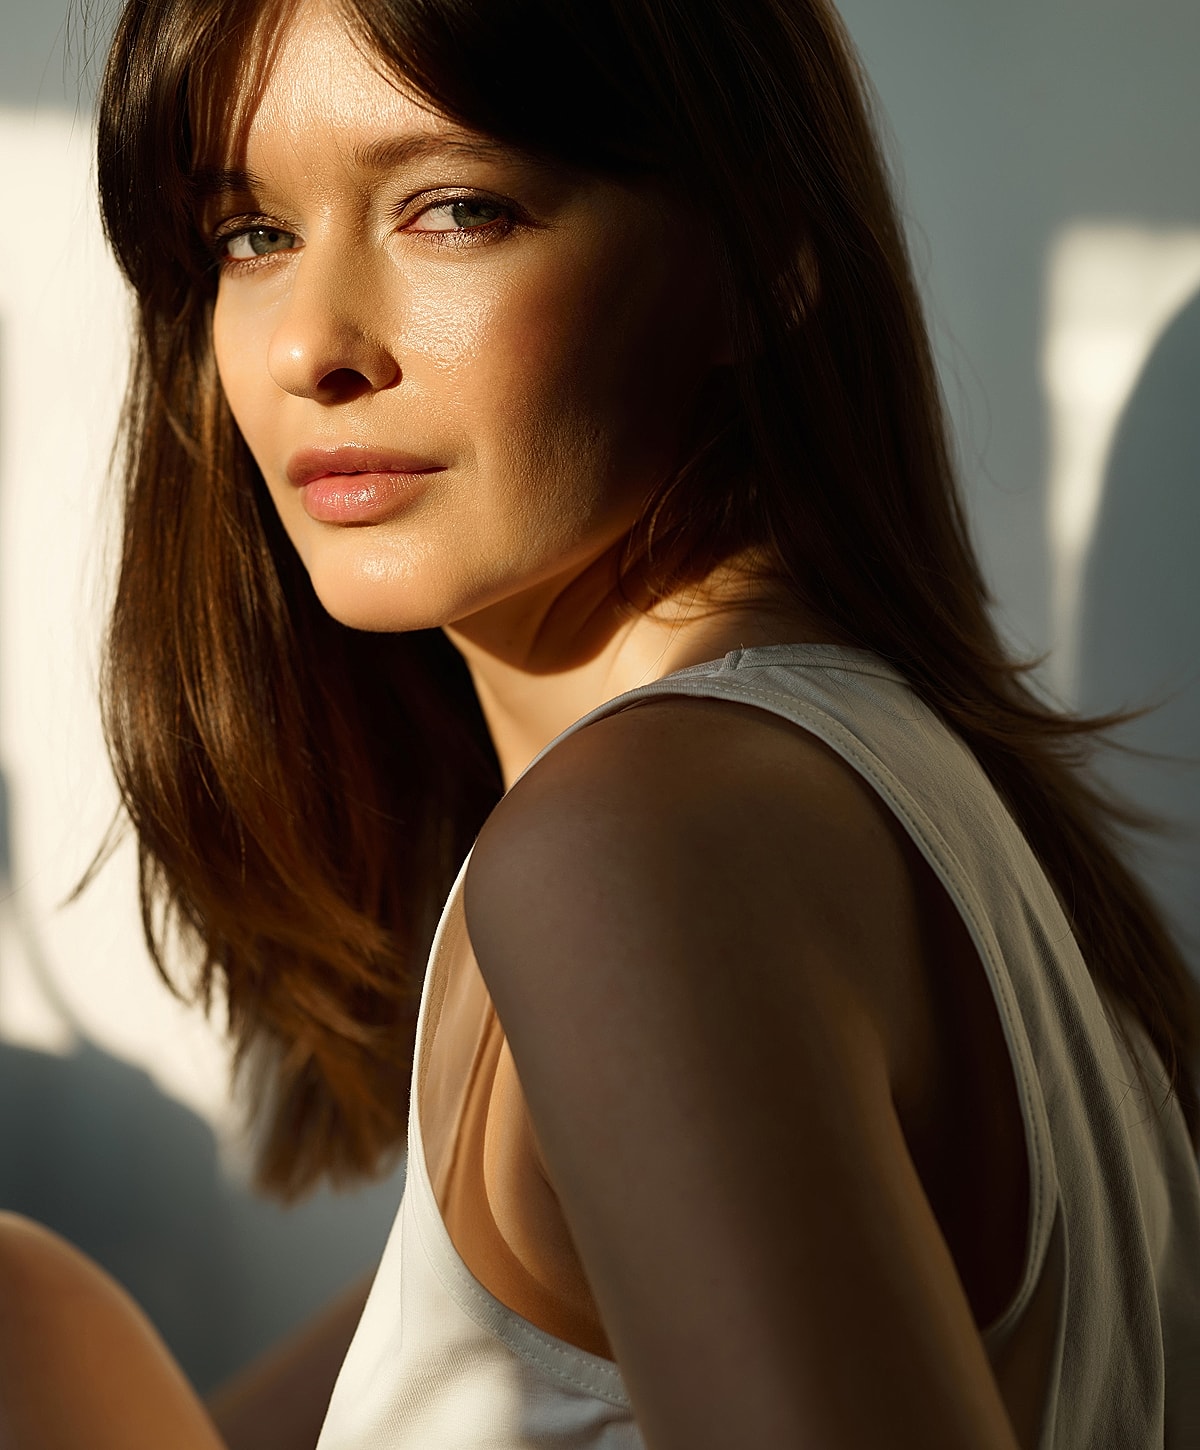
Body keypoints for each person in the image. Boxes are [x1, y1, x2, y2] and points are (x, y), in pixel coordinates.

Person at [1, 0, 1198, 1445]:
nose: (310, 344)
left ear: (762, 255)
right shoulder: (894, 813)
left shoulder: (642, 853)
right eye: (252, 234)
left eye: (457, 210)